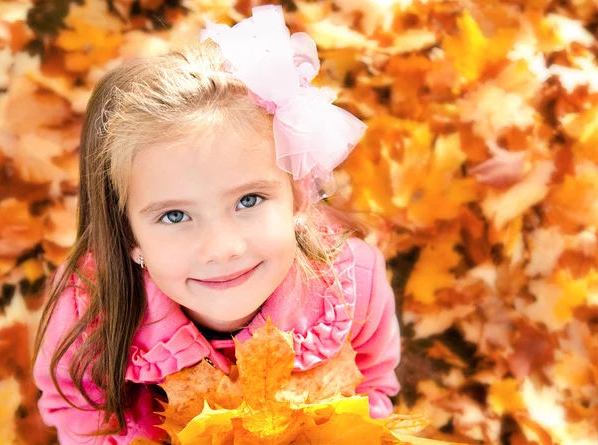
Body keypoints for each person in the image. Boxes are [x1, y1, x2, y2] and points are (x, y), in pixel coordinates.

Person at [32, 6, 401, 444]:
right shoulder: (90, 304)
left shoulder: (351, 287)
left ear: (297, 196)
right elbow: (77, 409)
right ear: (128, 234)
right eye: (175, 215)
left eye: (249, 200)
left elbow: (371, 383)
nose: (222, 247)